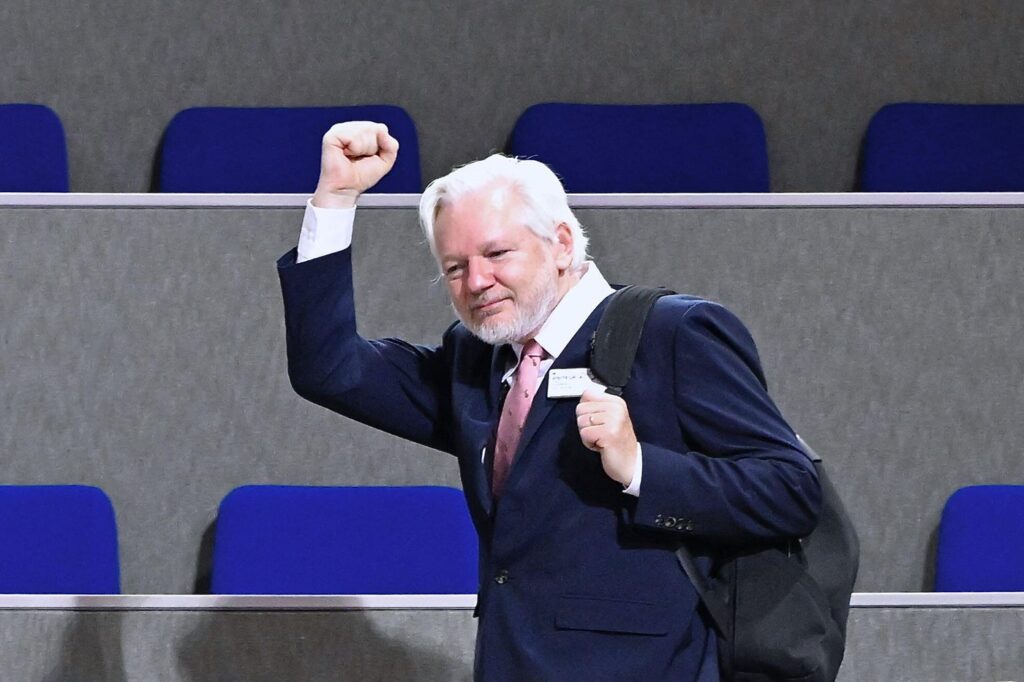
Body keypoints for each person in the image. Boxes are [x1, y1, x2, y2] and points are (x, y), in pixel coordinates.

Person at [277, 121, 822, 681]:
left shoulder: (673, 334)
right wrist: (336, 199)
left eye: (497, 253)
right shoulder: (475, 360)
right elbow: (330, 369)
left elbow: (791, 489)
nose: (477, 282)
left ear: (561, 243)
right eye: (455, 267)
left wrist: (641, 467)